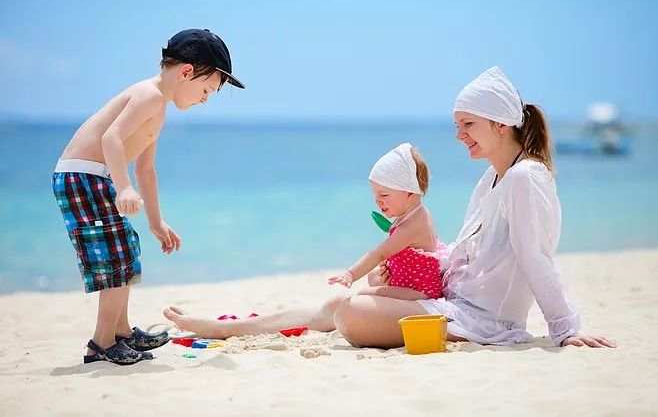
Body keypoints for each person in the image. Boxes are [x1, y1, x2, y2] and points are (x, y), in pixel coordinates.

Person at [163, 66, 614, 349]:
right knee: (343, 300)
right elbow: (473, 250)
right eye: (458, 126)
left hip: (484, 321)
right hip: (454, 300)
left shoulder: (523, 178)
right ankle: (234, 327)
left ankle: (234, 327)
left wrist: (564, 328)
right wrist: (418, 266)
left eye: (468, 125)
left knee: (352, 312)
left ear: (500, 123)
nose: (460, 136)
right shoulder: (493, 177)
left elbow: (536, 256)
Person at [53, 29, 245, 365]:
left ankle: (122, 332)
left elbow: (146, 169)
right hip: (83, 176)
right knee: (114, 259)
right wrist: (123, 188)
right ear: (187, 72)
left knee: (126, 250)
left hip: (96, 177)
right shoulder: (150, 96)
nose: (204, 99)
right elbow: (112, 138)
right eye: (206, 90)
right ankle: (101, 343)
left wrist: (156, 221)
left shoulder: (159, 106)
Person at [328, 143, 446, 301]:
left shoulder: (414, 224)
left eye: (384, 195)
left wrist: (350, 274)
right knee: (372, 278)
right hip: (407, 283)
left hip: (419, 292)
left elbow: (379, 253)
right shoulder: (409, 214)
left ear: (410, 192)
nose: (377, 201)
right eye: (375, 195)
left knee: (361, 295)